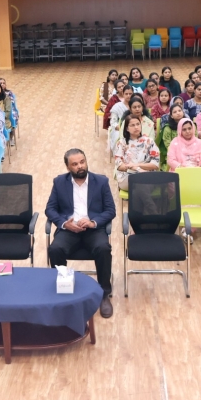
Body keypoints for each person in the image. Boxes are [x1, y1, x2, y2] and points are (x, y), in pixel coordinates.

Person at [45, 149, 116, 318]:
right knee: (55, 249)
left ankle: (104, 294)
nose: (80, 166)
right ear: (68, 167)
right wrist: (65, 223)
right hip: (70, 229)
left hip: (93, 229)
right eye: (75, 164)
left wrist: (93, 222)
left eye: (82, 162)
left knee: (103, 248)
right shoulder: (59, 182)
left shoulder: (101, 182)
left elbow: (110, 210)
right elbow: (50, 209)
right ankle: (64, 291)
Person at [114, 115, 160, 191]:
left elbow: (155, 164)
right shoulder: (121, 143)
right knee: (140, 184)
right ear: (127, 128)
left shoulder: (149, 141)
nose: (136, 127)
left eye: (138, 124)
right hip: (126, 177)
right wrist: (136, 169)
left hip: (146, 176)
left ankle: (144, 198)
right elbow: (119, 166)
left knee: (143, 183)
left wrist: (137, 165)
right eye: (132, 125)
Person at [156, 104, 187, 169]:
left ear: (183, 112)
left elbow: (194, 141)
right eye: (175, 112)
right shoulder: (167, 128)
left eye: (179, 111)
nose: (178, 113)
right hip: (173, 155)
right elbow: (168, 146)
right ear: (171, 116)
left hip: (189, 153)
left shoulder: (189, 126)